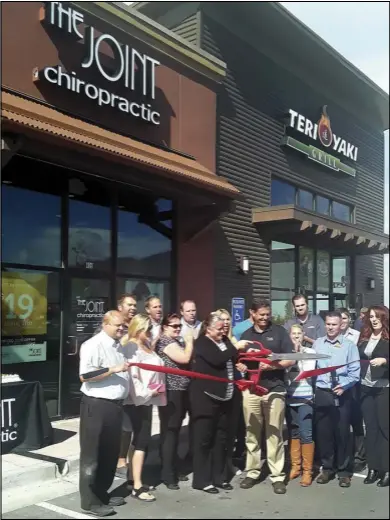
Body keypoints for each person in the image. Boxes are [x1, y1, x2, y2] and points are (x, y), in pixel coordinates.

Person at [240, 300, 295, 495]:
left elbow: (291, 358)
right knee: (252, 433)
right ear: (252, 313)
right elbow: (239, 359)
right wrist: (242, 366)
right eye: (261, 314)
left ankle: (277, 476)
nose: (265, 318)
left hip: (275, 389)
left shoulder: (279, 332)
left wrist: (273, 365)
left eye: (267, 314)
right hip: (252, 390)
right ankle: (252, 472)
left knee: (274, 433)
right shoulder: (246, 336)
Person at [78, 310, 130, 517]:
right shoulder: (92, 345)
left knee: (110, 453)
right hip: (97, 405)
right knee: (93, 455)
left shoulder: (118, 346)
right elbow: (85, 376)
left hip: (115, 406)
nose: (121, 328)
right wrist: (113, 369)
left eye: (123, 325)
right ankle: (90, 501)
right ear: (105, 323)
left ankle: (102, 493)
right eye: (117, 325)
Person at [190, 313, 246, 494]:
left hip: (225, 397)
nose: (222, 331)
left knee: (221, 439)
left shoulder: (225, 342)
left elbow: (231, 358)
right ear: (208, 328)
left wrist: (240, 359)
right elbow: (217, 359)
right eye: (219, 328)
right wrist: (235, 347)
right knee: (204, 439)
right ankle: (202, 480)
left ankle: (219, 477)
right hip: (206, 397)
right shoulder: (202, 343)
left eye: (224, 328)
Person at [121, 314, 167, 502]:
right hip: (138, 400)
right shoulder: (131, 347)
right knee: (141, 441)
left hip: (147, 399)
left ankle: (133, 478)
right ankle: (138, 486)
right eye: (148, 329)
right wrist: (147, 393)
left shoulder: (145, 345)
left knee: (138, 441)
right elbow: (133, 376)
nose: (150, 333)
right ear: (139, 329)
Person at [313, 311, 360, 488]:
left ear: (341, 325)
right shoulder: (317, 344)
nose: (331, 327)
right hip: (322, 392)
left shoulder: (349, 346)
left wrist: (344, 386)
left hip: (342, 393)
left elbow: (355, 373)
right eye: (328, 324)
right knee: (324, 433)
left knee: (342, 434)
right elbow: (310, 367)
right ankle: (327, 468)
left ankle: (344, 471)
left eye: (334, 324)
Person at [155, 313, 194, 490]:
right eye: (174, 326)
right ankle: (167, 473)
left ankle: (173, 467)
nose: (177, 329)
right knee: (170, 432)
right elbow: (185, 358)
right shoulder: (165, 342)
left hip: (182, 390)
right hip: (172, 391)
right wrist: (190, 341)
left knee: (176, 431)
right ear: (164, 327)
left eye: (179, 325)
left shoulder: (176, 341)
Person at [215, 309, 250, 474]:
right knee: (222, 429)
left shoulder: (234, 339)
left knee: (237, 427)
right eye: (222, 319)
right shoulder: (217, 340)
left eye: (228, 319)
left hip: (237, 387)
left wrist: (241, 363)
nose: (226, 322)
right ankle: (221, 464)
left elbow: (238, 361)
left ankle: (232, 460)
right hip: (221, 389)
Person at [358, 305, 389, 488]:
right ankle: (373, 467)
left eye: (377, 316)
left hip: (384, 388)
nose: (374, 319)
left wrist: (385, 360)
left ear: (384, 318)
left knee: (384, 428)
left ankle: (386, 469)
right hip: (366, 388)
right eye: (371, 316)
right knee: (370, 429)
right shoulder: (364, 337)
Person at [285, 324, 316, 487]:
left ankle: (307, 471)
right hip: (290, 399)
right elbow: (285, 371)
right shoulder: (286, 354)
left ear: (303, 335)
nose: (296, 336)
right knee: (294, 433)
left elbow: (305, 373)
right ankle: (295, 467)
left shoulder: (310, 353)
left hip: (305, 399)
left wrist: (298, 354)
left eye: (299, 334)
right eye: (293, 334)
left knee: (306, 434)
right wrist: (292, 354)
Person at [338, 307, 366, 472]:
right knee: (341, 422)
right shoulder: (331, 337)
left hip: (354, 384)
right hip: (338, 384)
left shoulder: (357, 336)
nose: (341, 322)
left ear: (349, 320)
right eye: (339, 318)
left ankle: (359, 456)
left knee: (356, 420)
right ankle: (342, 456)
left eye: (344, 318)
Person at [115, 294, 137, 479]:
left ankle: (123, 458)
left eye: (134, 305)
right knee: (124, 426)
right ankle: (120, 460)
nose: (133, 308)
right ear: (120, 306)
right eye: (129, 305)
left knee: (129, 426)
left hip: (133, 382)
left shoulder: (134, 326)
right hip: (116, 381)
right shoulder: (115, 325)